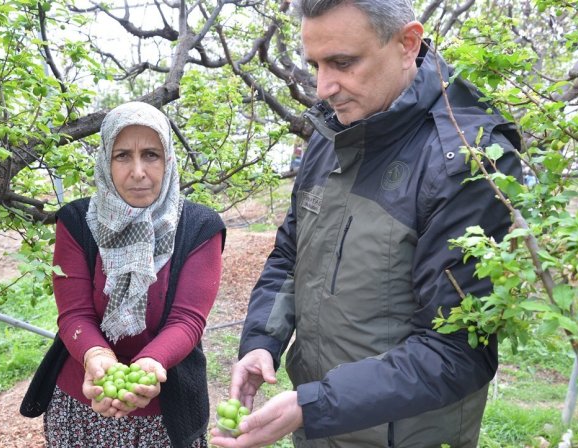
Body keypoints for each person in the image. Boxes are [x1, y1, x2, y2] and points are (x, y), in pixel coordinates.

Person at [211, 1, 522, 447]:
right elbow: (291, 253)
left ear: (407, 43)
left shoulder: (466, 162)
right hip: (320, 426)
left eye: (342, 63)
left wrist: (314, 405)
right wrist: (262, 340)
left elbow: (455, 352)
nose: (323, 87)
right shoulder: (335, 132)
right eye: (315, 65)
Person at [44, 101, 225, 448]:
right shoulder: (77, 221)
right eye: (123, 155)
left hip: (166, 414)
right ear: (105, 161)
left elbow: (187, 319)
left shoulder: (200, 227)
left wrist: (151, 363)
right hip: (83, 404)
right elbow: (74, 314)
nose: (138, 171)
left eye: (151, 155)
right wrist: (96, 357)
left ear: (168, 160)